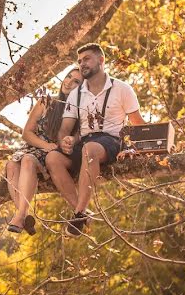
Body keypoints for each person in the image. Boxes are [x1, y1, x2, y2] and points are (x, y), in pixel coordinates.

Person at [45, 43, 145, 236]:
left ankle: (79, 211)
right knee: (52, 159)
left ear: (101, 60)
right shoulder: (76, 94)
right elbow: (65, 129)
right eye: (80, 61)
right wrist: (65, 140)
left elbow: (138, 124)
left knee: (89, 148)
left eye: (87, 59)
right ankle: (81, 213)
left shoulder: (122, 88)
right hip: (84, 143)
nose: (82, 64)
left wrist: (155, 144)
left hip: (112, 142)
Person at [4, 67, 83, 234]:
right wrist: (44, 145)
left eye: (76, 81)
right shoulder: (46, 101)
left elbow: (77, 137)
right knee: (11, 165)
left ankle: (20, 216)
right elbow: (27, 133)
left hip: (54, 152)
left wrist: (57, 145)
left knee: (27, 160)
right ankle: (23, 214)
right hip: (35, 146)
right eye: (68, 76)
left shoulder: (80, 110)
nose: (69, 82)